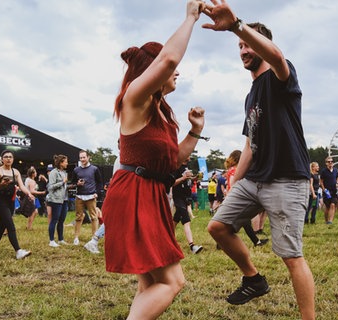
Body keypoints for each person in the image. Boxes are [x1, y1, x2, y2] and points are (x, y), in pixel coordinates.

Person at [202, 2, 315, 318]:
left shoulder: (282, 76)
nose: (242, 49)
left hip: (287, 177)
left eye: (247, 44)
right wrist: (234, 184)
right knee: (218, 226)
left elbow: (276, 57)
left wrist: (237, 25)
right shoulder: (250, 94)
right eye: (239, 46)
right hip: (255, 179)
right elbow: (249, 145)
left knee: (291, 257)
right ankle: (253, 279)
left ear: (260, 44)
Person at [101, 1, 206, 318]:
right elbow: (171, 56)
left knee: (150, 283)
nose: (176, 70)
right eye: (166, 68)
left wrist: (195, 131)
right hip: (134, 193)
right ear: (153, 71)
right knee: (173, 282)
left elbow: (173, 161)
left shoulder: (160, 113)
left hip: (151, 194)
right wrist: (190, 17)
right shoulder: (134, 95)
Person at [0, 150, 32, 260]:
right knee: (10, 225)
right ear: (2, 159)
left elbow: (21, 185)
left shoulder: (15, 172)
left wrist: (29, 193)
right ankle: (18, 251)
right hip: (1, 201)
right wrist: (2, 184)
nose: (8, 159)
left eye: (10, 157)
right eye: (6, 157)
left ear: (13, 159)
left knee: (1, 227)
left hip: (11, 201)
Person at [172, 157, 204, 254]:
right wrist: (183, 178)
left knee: (175, 220)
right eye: (188, 154)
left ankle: (166, 238)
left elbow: (188, 181)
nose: (189, 156)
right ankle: (192, 246)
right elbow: (171, 183)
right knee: (187, 221)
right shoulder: (176, 167)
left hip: (186, 198)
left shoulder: (186, 167)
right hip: (178, 197)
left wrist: (195, 178)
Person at [72, 150, 103, 245]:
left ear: (88, 157)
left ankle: (94, 238)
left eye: (84, 157)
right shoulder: (76, 170)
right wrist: (77, 184)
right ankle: (76, 237)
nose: (82, 159)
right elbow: (73, 183)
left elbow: (99, 182)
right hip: (80, 196)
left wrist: (97, 193)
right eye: (80, 158)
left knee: (94, 217)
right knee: (78, 217)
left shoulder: (94, 169)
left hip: (91, 196)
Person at [48, 154, 70, 247]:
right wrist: (62, 182)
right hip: (56, 200)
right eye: (66, 162)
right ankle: (51, 241)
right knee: (54, 219)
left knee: (61, 220)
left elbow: (64, 187)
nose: (67, 163)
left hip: (64, 199)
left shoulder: (64, 173)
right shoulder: (54, 172)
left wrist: (72, 185)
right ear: (61, 163)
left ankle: (61, 239)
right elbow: (51, 187)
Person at [320, 156, 338, 225]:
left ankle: (330, 221)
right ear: (326, 163)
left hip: (334, 191)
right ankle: (326, 220)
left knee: (333, 205)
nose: (330, 163)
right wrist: (324, 189)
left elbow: (337, 178)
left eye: (331, 161)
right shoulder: (323, 171)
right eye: (328, 162)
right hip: (327, 191)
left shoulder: (335, 170)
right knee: (327, 206)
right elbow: (321, 181)